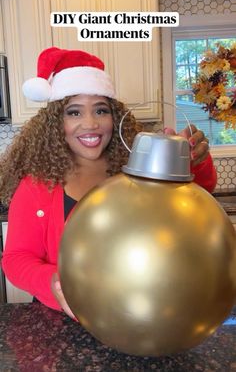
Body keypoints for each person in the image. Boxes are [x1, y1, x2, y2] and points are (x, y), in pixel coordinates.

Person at [0, 47, 217, 319]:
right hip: (62, 322)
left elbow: (200, 193)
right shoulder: (38, 186)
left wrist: (194, 161)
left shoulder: (140, 169)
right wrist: (53, 282)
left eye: (100, 110)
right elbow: (16, 259)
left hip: (140, 313)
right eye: (74, 113)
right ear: (56, 123)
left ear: (114, 117)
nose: (90, 124)